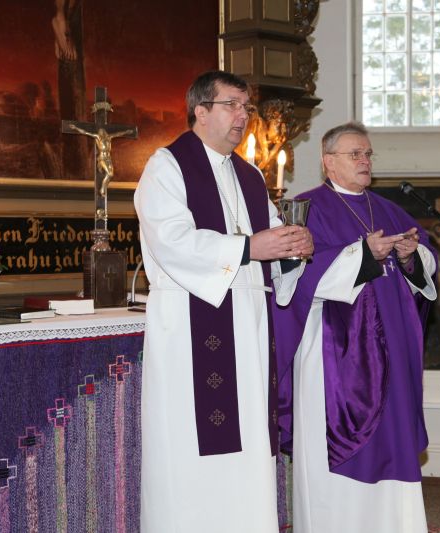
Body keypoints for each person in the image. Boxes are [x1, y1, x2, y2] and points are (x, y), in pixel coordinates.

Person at [133, 70, 314, 533]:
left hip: (247, 328)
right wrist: (251, 247)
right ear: (200, 110)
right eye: (231, 105)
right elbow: (172, 241)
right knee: (191, 448)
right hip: (190, 327)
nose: (243, 116)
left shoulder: (250, 176)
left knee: (247, 444)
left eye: (246, 107)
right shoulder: (167, 167)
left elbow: (269, 244)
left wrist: (292, 248)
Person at [272, 121, 438, 533]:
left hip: (392, 350)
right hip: (334, 353)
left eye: (367, 154)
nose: (365, 161)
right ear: (328, 162)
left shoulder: (388, 209)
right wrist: (361, 254)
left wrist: (409, 256)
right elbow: (295, 279)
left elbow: (426, 263)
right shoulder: (305, 209)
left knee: (393, 445)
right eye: (354, 154)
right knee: (336, 466)